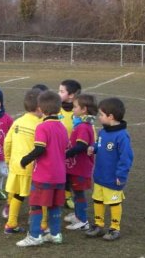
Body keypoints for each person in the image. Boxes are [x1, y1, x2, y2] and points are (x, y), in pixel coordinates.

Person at [16, 91, 68, 247]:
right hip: (60, 176)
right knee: (54, 205)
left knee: (36, 205)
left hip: (44, 175)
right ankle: (55, 234)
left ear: (40, 108)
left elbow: (40, 149)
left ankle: (34, 235)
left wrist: (25, 160)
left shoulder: (42, 127)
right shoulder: (62, 127)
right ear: (59, 109)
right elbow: (65, 148)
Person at [85, 98, 133, 241]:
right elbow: (99, 145)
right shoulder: (103, 132)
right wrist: (93, 148)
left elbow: (126, 157)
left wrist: (121, 175)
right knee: (97, 200)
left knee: (113, 202)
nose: (99, 117)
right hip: (100, 175)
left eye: (101, 114)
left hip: (113, 177)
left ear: (110, 117)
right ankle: (99, 225)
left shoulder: (122, 136)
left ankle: (114, 228)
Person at [3, 88, 43, 234]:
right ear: (40, 108)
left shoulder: (17, 121)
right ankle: (39, 224)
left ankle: (11, 224)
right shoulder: (40, 125)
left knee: (17, 195)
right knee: (37, 197)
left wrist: (7, 159)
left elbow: (7, 141)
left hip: (16, 165)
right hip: (32, 167)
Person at [64, 94, 97, 231]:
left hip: (80, 168)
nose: (73, 109)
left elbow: (81, 146)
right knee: (75, 191)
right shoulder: (81, 124)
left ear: (84, 109)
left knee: (78, 193)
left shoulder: (83, 127)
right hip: (75, 167)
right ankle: (78, 214)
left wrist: (64, 154)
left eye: (76, 106)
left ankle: (82, 220)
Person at [58, 79, 82, 210]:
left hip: (73, 150)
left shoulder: (78, 111)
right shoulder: (56, 109)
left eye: (62, 91)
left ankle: (67, 196)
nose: (58, 93)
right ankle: (61, 196)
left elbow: (87, 129)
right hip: (58, 149)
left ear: (71, 95)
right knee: (60, 174)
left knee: (70, 175)